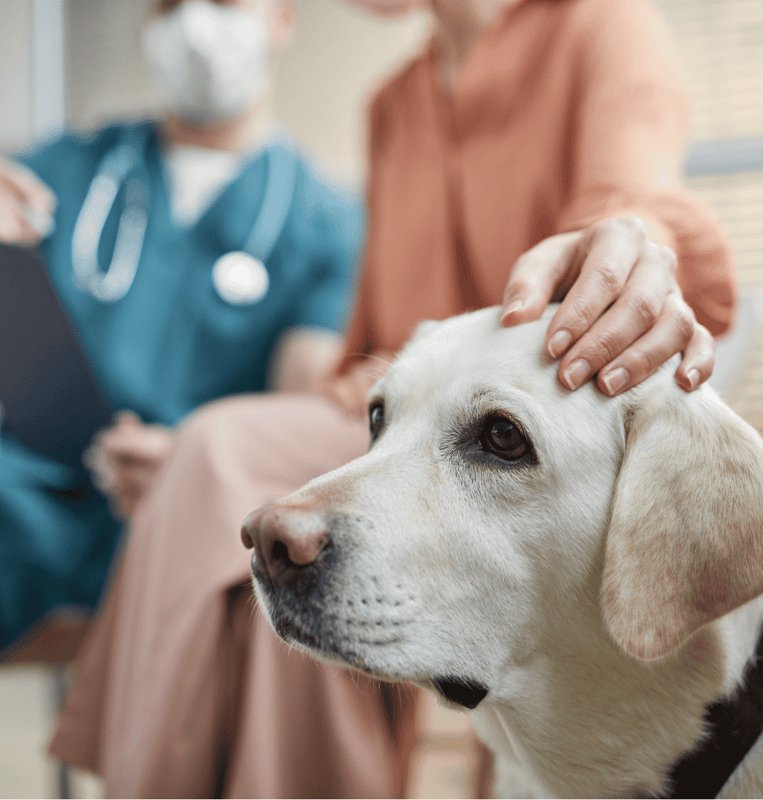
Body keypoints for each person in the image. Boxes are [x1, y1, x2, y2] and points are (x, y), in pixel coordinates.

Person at [50, 0, 736, 796]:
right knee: (222, 481)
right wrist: (232, 456)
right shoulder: (392, 104)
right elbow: (372, 352)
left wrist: (626, 243)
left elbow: (631, 196)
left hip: (527, 431)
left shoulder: (598, 25)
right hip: (389, 424)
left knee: (217, 455)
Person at [0, 0, 367, 788]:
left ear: (281, 18)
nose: (193, 27)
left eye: (221, 4)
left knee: (257, 618)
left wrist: (189, 463)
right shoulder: (72, 169)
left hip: (198, 523)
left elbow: (296, 415)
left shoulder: (324, 222)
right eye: (169, 5)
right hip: (40, 506)